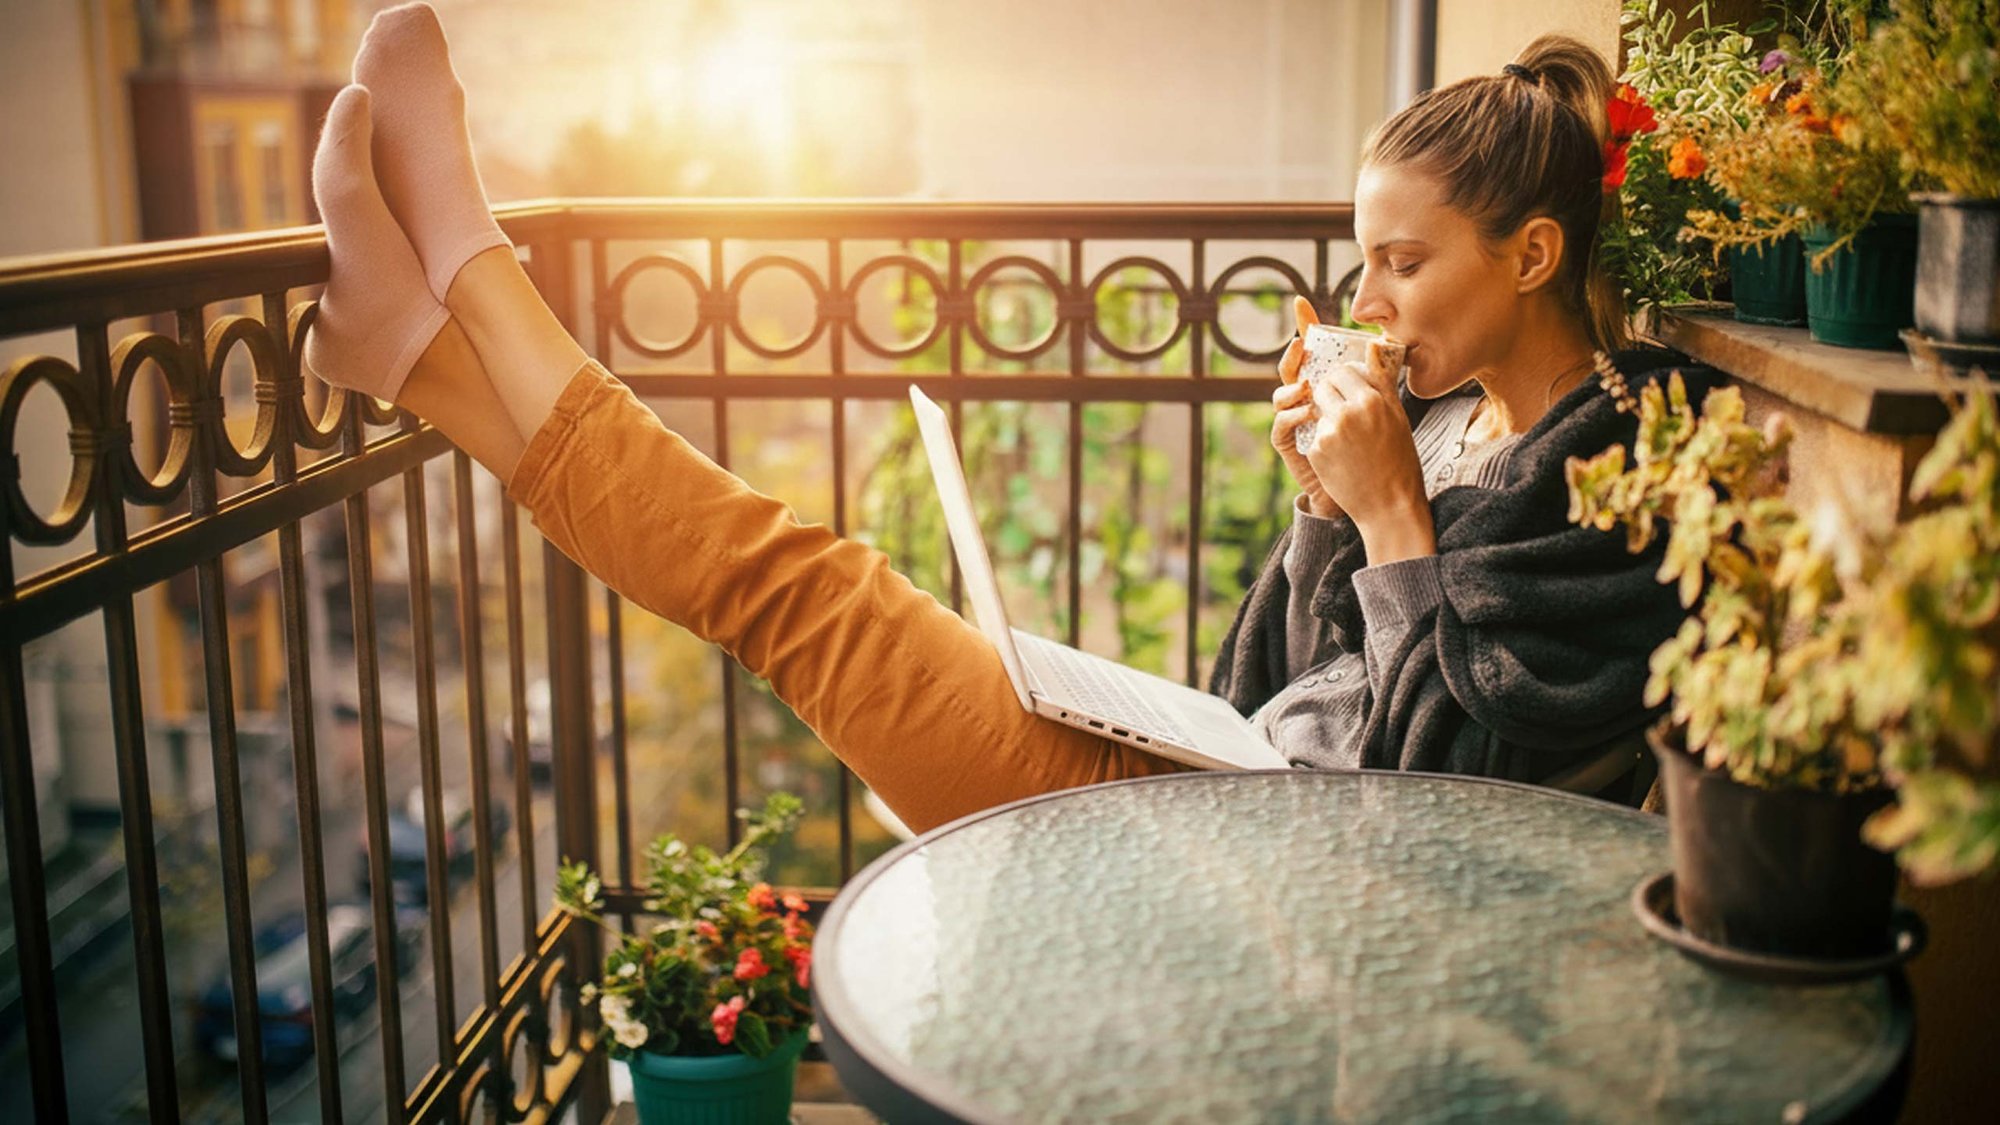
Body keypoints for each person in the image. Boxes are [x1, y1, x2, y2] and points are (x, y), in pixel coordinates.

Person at [305, 4, 1710, 835]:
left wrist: (1391, 514)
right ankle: (422, 350)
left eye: (1405, 264)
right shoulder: (1462, 425)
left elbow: (1442, 806)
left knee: (798, 590)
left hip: (1244, 852)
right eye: (1365, 257)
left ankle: (476, 274)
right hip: (1209, 777)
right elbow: (1291, 671)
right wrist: (1328, 511)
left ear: (1529, 258)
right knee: (812, 590)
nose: (1369, 297)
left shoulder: (1608, 475)